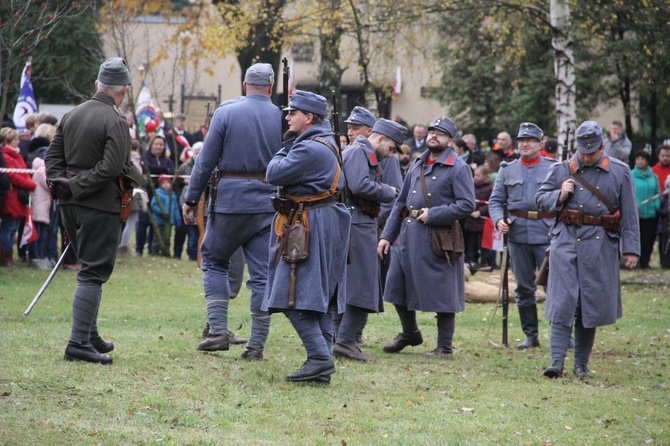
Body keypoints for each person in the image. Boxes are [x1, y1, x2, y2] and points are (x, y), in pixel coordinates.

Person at [182, 63, 281, 360]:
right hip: (268, 204)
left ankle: (217, 331)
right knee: (263, 276)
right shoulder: (282, 117)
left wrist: (191, 198)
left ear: (244, 84)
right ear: (271, 88)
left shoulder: (225, 112)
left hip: (229, 203)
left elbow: (205, 161)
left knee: (213, 261)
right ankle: (256, 345)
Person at [44, 57, 134, 364]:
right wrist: (77, 185)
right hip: (99, 204)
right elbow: (112, 167)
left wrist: (62, 185)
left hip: (69, 202)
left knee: (89, 268)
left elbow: (52, 157)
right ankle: (78, 342)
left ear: (98, 84)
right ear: (123, 90)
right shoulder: (116, 121)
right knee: (93, 272)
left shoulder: (72, 114)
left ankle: (90, 334)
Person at [535, 121, 640, 379]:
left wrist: (631, 249)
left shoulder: (620, 171)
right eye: (583, 152)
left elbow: (629, 212)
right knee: (562, 301)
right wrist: (559, 195)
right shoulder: (562, 169)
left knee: (588, 303)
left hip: (600, 243)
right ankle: (556, 362)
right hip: (566, 240)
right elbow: (540, 200)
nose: (586, 157)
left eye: (592, 153)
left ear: (602, 147)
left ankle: (581, 365)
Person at [262, 90, 351, 383]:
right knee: (316, 298)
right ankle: (321, 364)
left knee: (291, 296)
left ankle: (319, 358)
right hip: (319, 221)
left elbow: (273, 173)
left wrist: (284, 144)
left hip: (307, 225)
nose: (288, 117)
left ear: (309, 118)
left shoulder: (307, 148)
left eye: (293, 113)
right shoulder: (323, 142)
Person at [378, 116, 475, 357]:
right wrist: (387, 237)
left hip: (438, 237)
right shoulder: (417, 163)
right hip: (408, 234)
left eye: (440, 133)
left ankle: (444, 346)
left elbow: (466, 204)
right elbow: (400, 202)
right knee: (395, 285)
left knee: (443, 290)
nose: (434, 135)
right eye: (432, 130)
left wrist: (435, 214)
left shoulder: (458, 167)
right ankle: (410, 333)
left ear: (450, 141)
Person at [333, 118, 404, 362]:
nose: (390, 154)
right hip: (356, 224)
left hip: (363, 223)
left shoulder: (364, 152)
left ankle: (345, 338)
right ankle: (343, 340)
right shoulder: (358, 152)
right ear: (381, 139)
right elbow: (359, 185)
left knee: (362, 285)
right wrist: (389, 192)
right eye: (391, 148)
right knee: (359, 285)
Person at [489, 122, 555, 349]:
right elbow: (496, 201)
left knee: (555, 286)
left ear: (540, 143)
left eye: (530, 140)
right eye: (521, 140)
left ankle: (561, 334)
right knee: (524, 287)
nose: (525, 144)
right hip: (517, 235)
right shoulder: (507, 169)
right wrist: (499, 220)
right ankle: (531, 335)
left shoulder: (553, 168)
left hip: (547, 234)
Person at [1, 127, 36, 267]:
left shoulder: (16, 155)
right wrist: (31, 184)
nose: (18, 142)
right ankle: (5, 257)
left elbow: (23, 173)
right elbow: (13, 176)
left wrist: (28, 183)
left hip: (18, 197)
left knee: (13, 227)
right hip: (11, 197)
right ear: (8, 140)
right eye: (15, 139)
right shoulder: (6, 156)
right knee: (8, 227)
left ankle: (8, 256)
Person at [631, 150, 661, 269]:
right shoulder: (630, 174)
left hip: (650, 213)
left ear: (647, 161)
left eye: (642, 159)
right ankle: (634, 263)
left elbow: (657, 192)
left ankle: (645, 262)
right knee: (636, 238)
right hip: (636, 213)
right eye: (638, 159)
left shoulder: (653, 176)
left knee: (648, 239)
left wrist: (655, 206)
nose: (640, 161)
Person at [463, 165, 493, 267]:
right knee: (471, 243)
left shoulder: (490, 188)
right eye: (474, 175)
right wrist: (470, 209)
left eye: (478, 175)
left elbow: (491, 203)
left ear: (485, 176)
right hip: (470, 220)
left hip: (483, 221)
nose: (475, 177)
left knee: (484, 244)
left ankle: (484, 261)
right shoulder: (470, 185)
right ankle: (471, 260)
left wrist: (480, 212)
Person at [150, 175, 182, 255]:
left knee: (167, 237)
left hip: (169, 221)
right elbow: (153, 205)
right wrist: (161, 212)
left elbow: (175, 208)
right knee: (158, 237)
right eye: (164, 183)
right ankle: (155, 251)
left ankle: (166, 252)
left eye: (168, 183)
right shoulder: (158, 194)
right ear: (160, 184)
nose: (166, 185)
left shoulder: (173, 195)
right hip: (159, 220)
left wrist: (178, 219)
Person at [652, 145, 670, 268]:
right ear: (658, 156)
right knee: (658, 233)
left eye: (668, 156)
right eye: (663, 156)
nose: (665, 158)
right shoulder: (653, 171)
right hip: (658, 205)